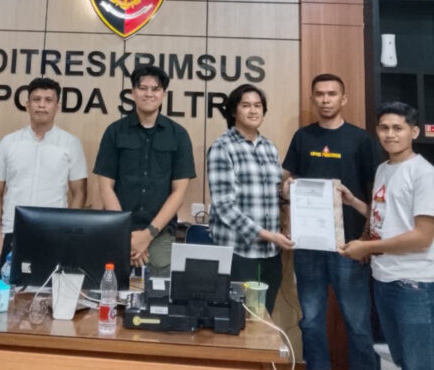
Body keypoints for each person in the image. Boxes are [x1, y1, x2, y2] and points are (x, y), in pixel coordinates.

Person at [282, 73, 380, 370]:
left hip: (349, 245)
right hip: (308, 245)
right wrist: (286, 189)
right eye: (320, 94)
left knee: (358, 325)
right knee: (311, 321)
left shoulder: (361, 139)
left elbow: (374, 193)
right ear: (313, 98)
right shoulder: (303, 137)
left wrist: (366, 240)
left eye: (332, 94)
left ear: (343, 98)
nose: (325, 99)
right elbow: (289, 181)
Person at [339, 102, 434, 370]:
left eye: (397, 128)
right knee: (402, 359)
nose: (390, 134)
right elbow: (384, 215)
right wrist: (354, 202)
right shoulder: (383, 168)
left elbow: (422, 237)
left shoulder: (424, 174)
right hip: (383, 278)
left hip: (413, 283)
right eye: (383, 128)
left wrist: (367, 248)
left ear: (414, 132)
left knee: (419, 363)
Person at [94, 65, 195, 277]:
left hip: (160, 235)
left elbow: (179, 193)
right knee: (112, 291)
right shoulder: (114, 132)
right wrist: (127, 234)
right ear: (133, 92)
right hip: (118, 233)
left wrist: (147, 235)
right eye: (143, 88)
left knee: (159, 295)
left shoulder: (178, 135)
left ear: (163, 94)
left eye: (155, 89)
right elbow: (105, 187)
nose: (149, 94)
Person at [207, 84, 293, 314]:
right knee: (237, 318)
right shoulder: (222, 147)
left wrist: (286, 193)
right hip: (238, 252)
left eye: (258, 106)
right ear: (233, 111)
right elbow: (224, 206)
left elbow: (272, 194)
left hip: (270, 253)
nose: (253, 111)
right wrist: (267, 234)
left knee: (264, 318)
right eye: (246, 105)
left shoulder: (269, 148)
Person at [0, 77, 87, 265]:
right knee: (7, 284)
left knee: (49, 284)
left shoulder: (70, 143)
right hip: (11, 231)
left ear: (57, 106)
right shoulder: (9, 142)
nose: (42, 105)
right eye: (36, 99)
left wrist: (68, 233)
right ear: (27, 105)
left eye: (48, 100)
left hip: (54, 233)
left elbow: (79, 192)